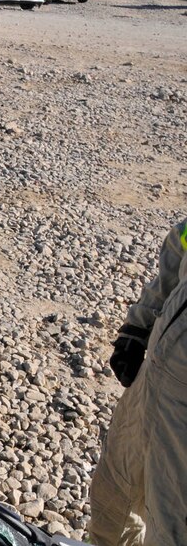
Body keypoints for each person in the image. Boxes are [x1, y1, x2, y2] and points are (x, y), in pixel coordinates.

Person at [89, 219, 187, 546]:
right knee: (113, 497)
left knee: (172, 530)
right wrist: (140, 324)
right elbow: (182, 240)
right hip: (154, 376)